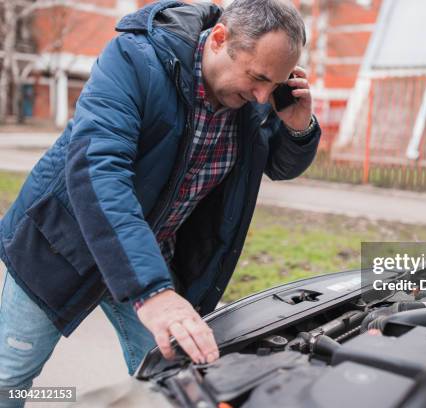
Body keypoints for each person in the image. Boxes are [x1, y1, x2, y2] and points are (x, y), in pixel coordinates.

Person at [0, 0, 319, 403]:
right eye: (256, 78)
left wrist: (298, 127)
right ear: (220, 40)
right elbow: (99, 170)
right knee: (9, 376)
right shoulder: (135, 59)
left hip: (148, 256)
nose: (261, 98)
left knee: (175, 381)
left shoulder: (251, 100)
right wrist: (153, 293)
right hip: (62, 246)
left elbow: (277, 165)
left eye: (272, 86)